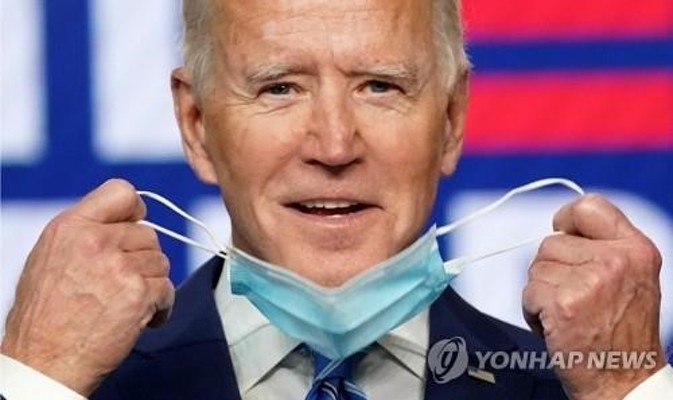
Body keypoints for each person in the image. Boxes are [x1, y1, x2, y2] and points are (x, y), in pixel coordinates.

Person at [1, 0, 672, 399]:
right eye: (280, 88)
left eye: (379, 86)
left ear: (450, 119)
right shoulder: (74, 386)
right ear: (197, 126)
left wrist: (626, 388)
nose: (333, 144)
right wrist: (38, 379)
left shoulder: (581, 388)